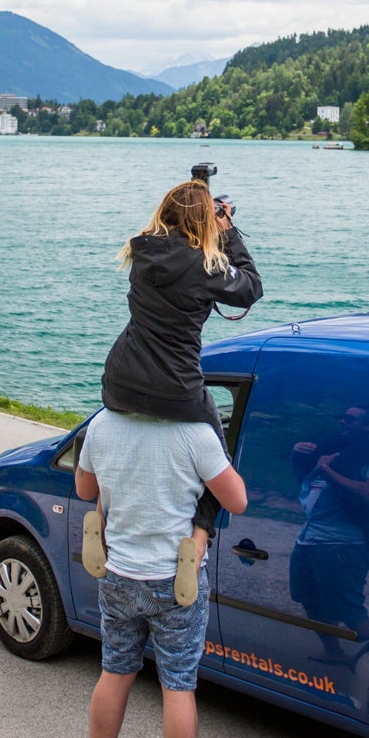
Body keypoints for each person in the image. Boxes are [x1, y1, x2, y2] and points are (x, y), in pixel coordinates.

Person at [94, 179, 263, 599]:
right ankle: (199, 538)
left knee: (105, 441)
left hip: (120, 380)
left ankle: (100, 519)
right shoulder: (206, 265)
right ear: (205, 220)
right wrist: (227, 231)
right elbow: (250, 287)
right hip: (176, 385)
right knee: (218, 464)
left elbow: (174, 238)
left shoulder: (142, 250)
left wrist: (196, 206)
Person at [76, 408, 248, 738]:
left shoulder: (102, 423)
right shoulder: (195, 431)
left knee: (115, 672)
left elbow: (84, 488)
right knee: (178, 686)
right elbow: (237, 500)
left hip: (119, 571)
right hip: (174, 579)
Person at [289, 404, 369, 666]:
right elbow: (309, 486)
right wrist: (298, 457)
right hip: (309, 539)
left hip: (342, 546)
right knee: (309, 599)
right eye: (342, 418)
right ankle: (334, 652)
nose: (342, 422)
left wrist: (327, 469)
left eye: (350, 419)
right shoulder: (337, 453)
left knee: (350, 611)